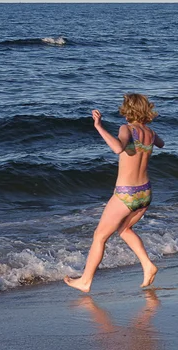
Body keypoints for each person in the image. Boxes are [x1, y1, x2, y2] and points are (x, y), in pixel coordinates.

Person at [65, 93, 164, 292]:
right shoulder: (151, 133)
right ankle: (147, 265)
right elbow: (161, 144)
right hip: (145, 192)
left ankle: (85, 281)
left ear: (128, 111)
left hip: (126, 194)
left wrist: (99, 127)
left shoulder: (126, 129)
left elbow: (118, 148)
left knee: (99, 236)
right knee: (125, 230)